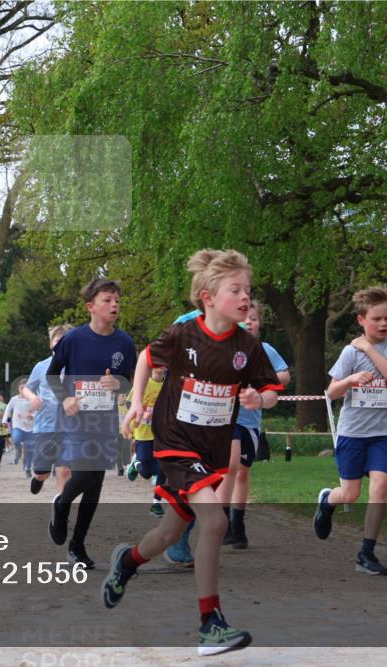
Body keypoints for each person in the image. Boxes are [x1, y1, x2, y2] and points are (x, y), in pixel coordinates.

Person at [102, 249, 282, 656]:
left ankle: (127, 563)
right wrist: (134, 403)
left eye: (247, 292)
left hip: (212, 450)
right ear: (208, 296)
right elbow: (146, 358)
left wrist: (258, 398)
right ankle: (210, 624)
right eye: (235, 290)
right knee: (214, 523)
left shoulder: (247, 347)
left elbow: (270, 390)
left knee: (168, 533)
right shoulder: (184, 335)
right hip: (176, 443)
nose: (245, 299)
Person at [314, 286, 387, 576]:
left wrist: (368, 348)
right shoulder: (348, 353)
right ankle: (327, 501)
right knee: (351, 494)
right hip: (353, 432)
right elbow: (331, 392)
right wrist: (351, 380)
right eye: (376, 319)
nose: (383, 324)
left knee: (380, 487)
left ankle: (366, 553)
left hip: (383, 432)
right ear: (361, 320)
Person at [47, 278, 136, 570]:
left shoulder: (124, 342)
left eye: (117, 301)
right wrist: (65, 399)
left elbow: (130, 382)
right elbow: (52, 374)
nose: (114, 305)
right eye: (108, 300)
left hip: (104, 419)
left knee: (96, 482)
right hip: (76, 419)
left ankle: (78, 545)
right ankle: (61, 505)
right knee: (85, 476)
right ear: (91, 306)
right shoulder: (72, 340)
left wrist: (118, 382)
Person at [220, 301, 290, 549]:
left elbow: (284, 375)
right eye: (244, 318)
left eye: (254, 318)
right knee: (231, 464)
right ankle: (223, 521)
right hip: (226, 416)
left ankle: (238, 525)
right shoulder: (224, 345)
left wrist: (259, 381)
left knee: (243, 470)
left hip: (251, 417)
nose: (249, 322)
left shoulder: (265, 350)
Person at [24, 324, 73, 495]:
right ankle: (38, 477)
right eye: (57, 341)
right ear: (51, 344)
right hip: (45, 426)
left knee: (64, 471)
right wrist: (33, 398)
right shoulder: (41, 366)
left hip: (69, 427)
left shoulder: (76, 366)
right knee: (42, 472)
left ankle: (60, 509)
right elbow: (26, 388)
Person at [124, 364, 166, 517]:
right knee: (147, 473)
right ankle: (136, 463)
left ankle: (156, 503)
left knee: (163, 468)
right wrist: (140, 416)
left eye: (164, 362)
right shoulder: (143, 384)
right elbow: (130, 405)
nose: (160, 365)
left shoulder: (169, 385)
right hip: (143, 434)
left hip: (162, 435)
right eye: (157, 362)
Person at [3, 382, 35, 475]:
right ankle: (18, 450)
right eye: (22, 388)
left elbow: (39, 411)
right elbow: (8, 410)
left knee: (29, 448)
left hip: (30, 427)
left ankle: (27, 467)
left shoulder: (33, 399)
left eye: (26, 388)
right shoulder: (14, 399)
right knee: (16, 439)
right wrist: (4, 420)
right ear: (19, 389)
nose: (23, 390)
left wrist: (33, 416)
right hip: (18, 426)